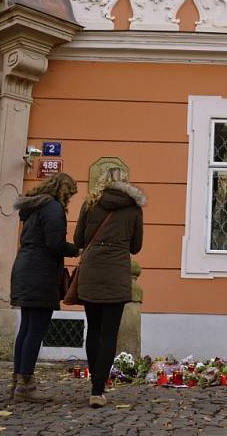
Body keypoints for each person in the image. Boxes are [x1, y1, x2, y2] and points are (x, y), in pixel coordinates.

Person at [73, 167, 145, 408]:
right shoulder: (133, 208)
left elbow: (78, 240)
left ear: (102, 181)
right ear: (126, 182)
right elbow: (136, 246)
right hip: (116, 272)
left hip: (91, 271)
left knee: (92, 330)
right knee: (108, 334)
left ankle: (96, 382)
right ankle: (98, 389)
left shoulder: (90, 203)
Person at [9, 172, 78, 403]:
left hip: (25, 267)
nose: (69, 199)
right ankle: (25, 385)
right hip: (41, 273)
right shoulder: (53, 208)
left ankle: (17, 381)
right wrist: (77, 249)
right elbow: (55, 244)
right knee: (35, 330)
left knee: (26, 328)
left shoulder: (34, 208)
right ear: (63, 190)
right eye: (69, 194)